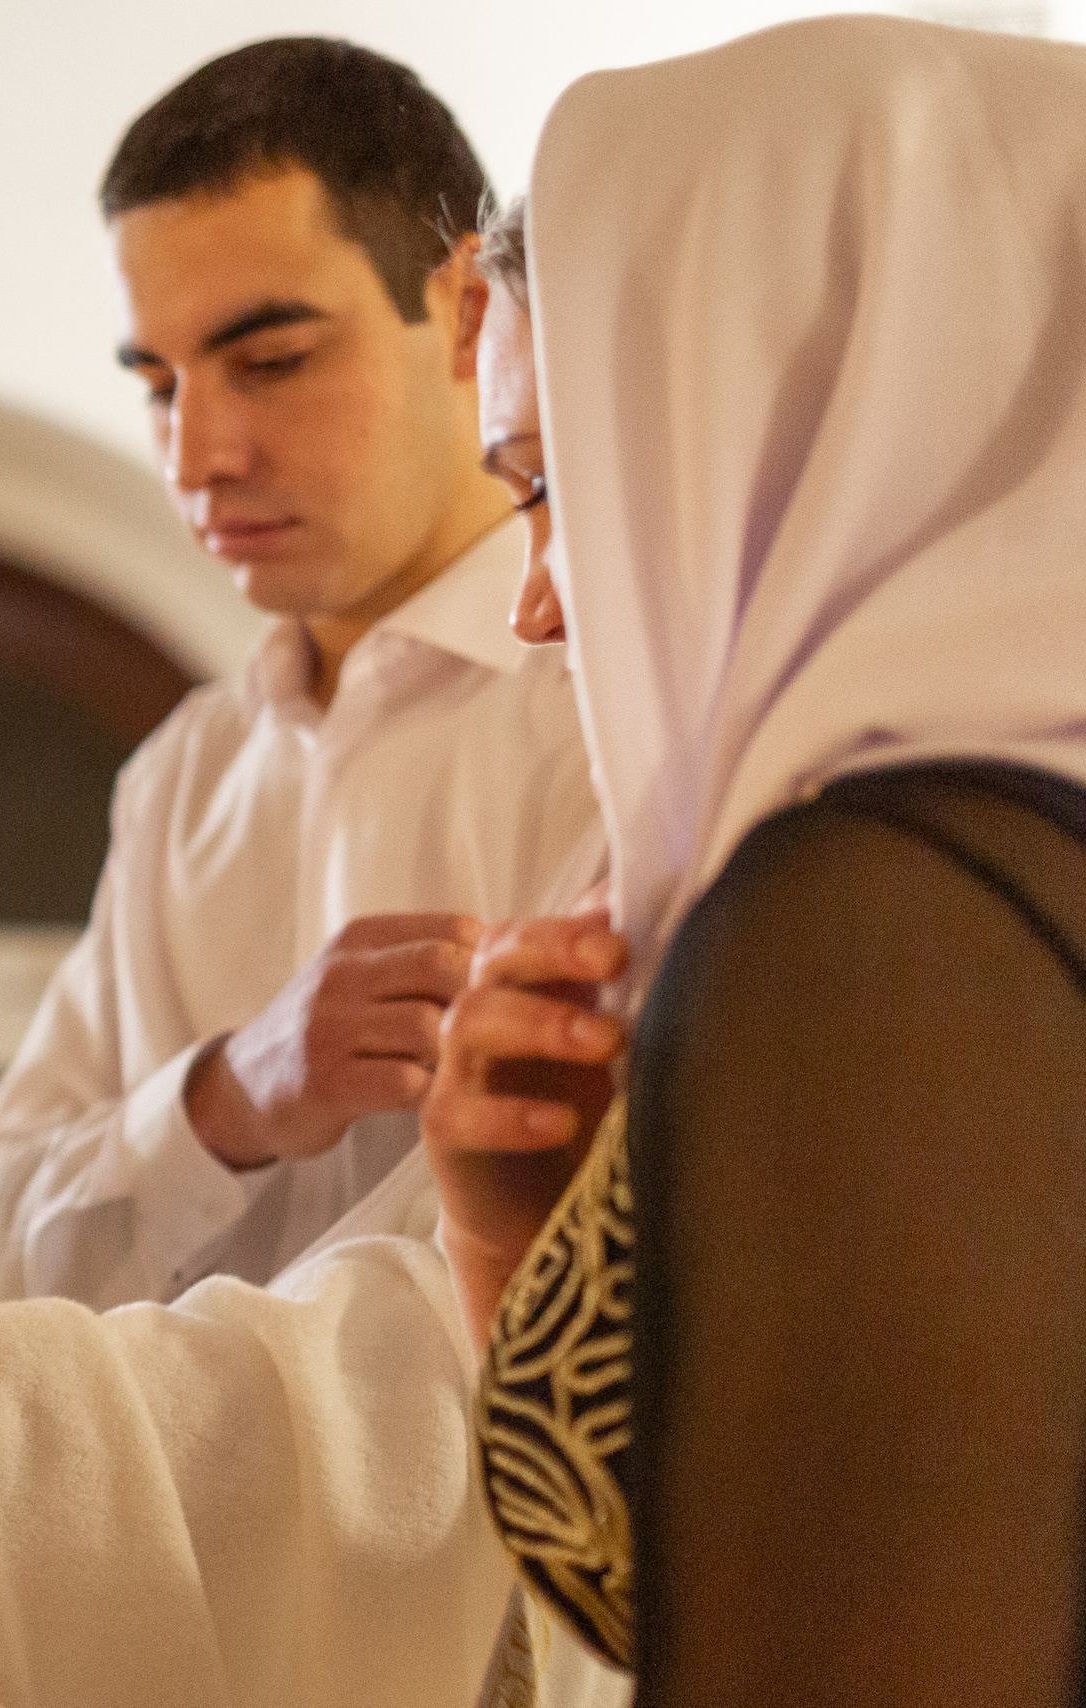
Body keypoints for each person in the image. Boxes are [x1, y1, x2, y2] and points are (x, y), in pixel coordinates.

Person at [421, 20, 1086, 1706]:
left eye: (558, 487)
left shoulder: (884, 916)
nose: (537, 602)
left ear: (807, 416)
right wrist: (537, 1243)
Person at [0, 37, 600, 1308]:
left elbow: (529, 1294)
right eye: (157, 385)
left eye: (272, 362)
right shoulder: (184, 774)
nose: (195, 459)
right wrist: (224, 1100)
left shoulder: (606, 710)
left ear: (467, 311)